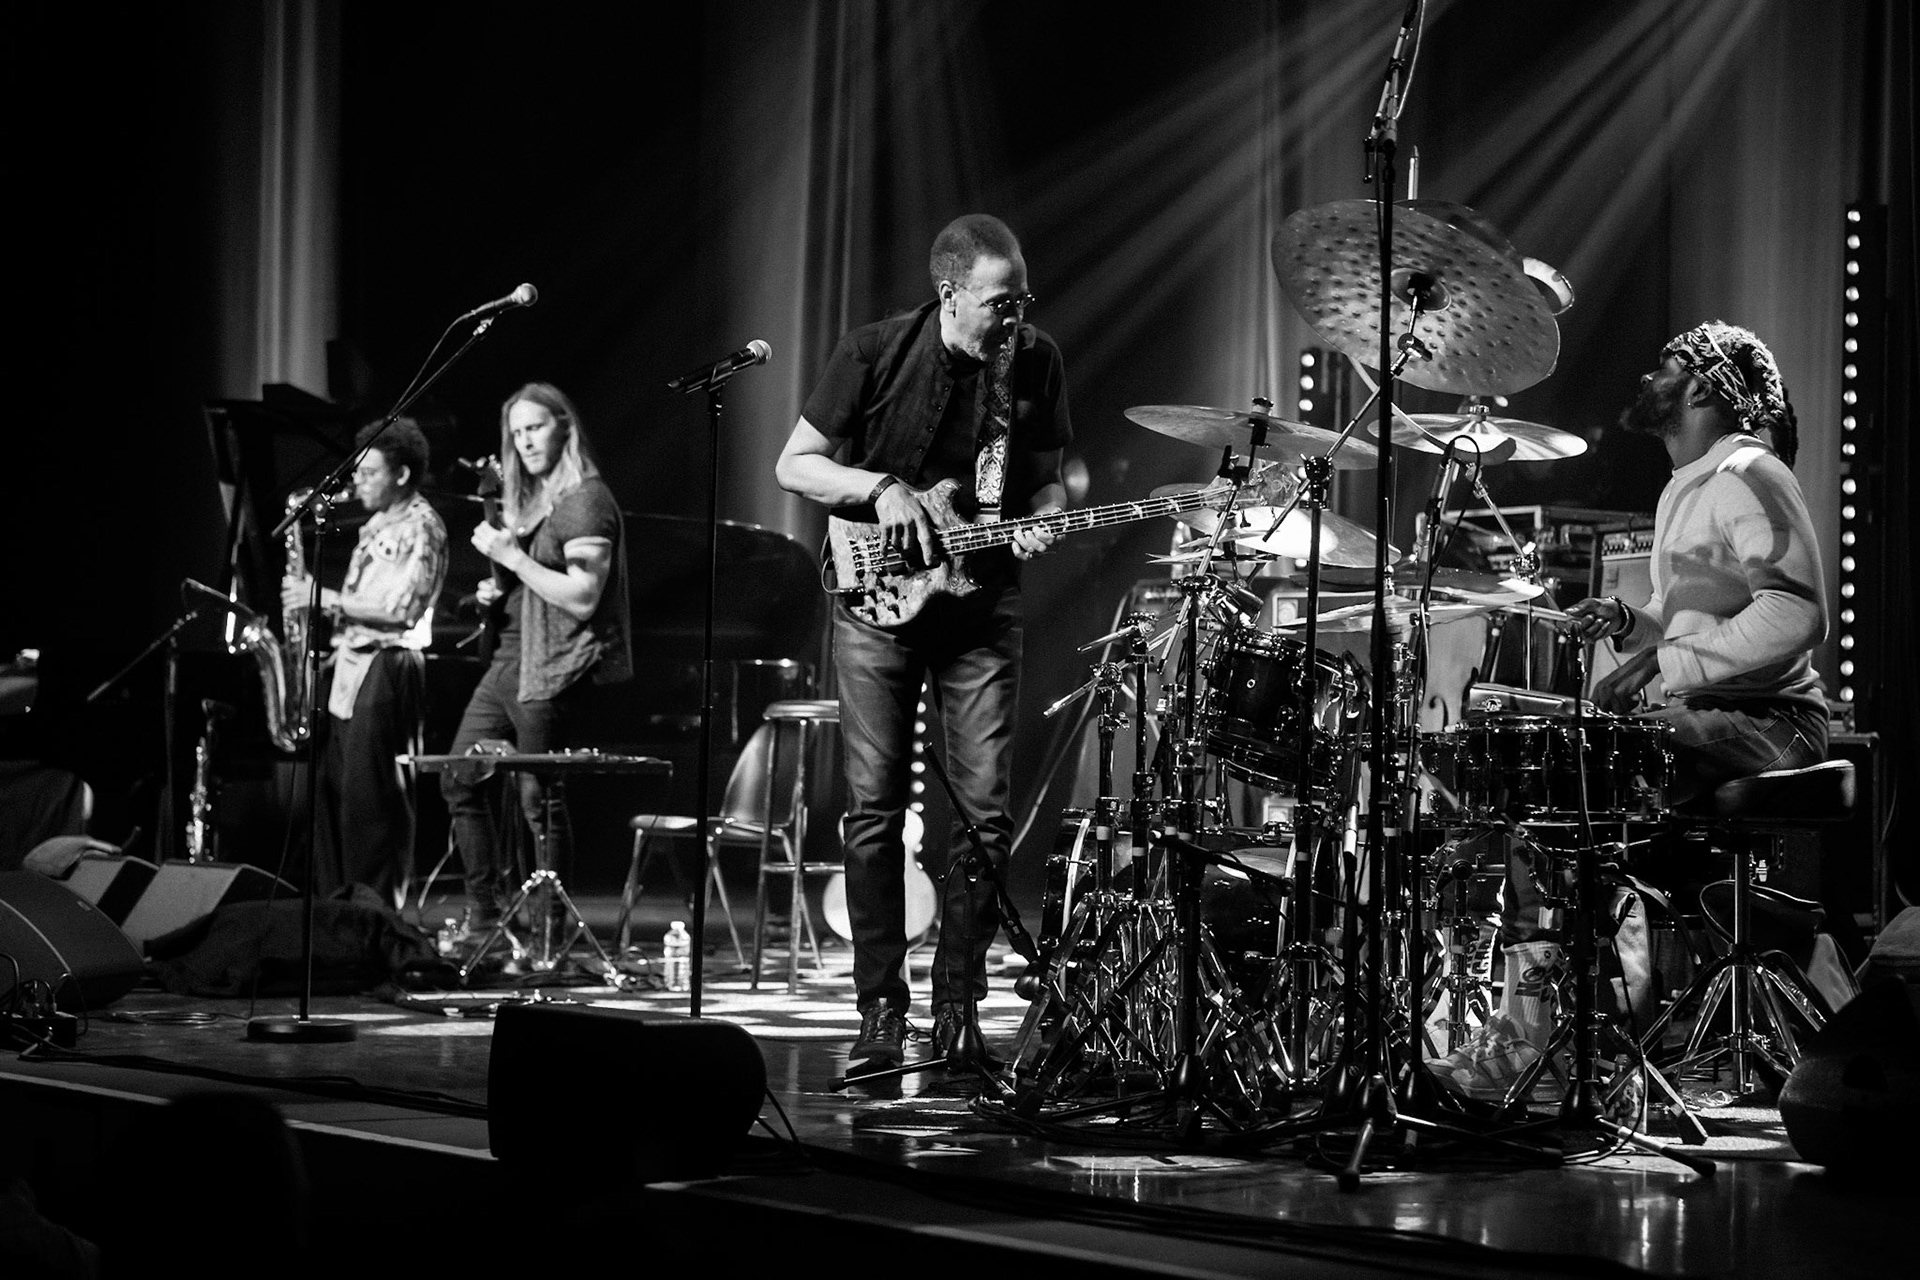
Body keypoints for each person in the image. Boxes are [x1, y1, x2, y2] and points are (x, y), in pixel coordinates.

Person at [1429, 320, 1828, 1099]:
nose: (1652, 377)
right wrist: (1628, 623)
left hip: (1774, 722)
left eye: (1667, 366)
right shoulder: (1689, 483)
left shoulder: (1750, 470)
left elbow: (1795, 613)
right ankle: (1558, 1030)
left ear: (1705, 388)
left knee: (1572, 772)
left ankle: (1544, 1038)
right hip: (1716, 716)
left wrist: (1663, 660)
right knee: (1547, 783)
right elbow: (1698, 617)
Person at [775, 214, 1072, 1073]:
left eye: (1023, 300)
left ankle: (957, 1008)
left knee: (983, 810)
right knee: (872, 809)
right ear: (949, 293)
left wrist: (1043, 522)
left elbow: (1049, 479)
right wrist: (880, 489)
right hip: (874, 602)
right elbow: (796, 464)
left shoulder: (1036, 359)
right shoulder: (872, 350)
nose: (1014, 317)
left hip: (982, 605)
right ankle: (879, 1010)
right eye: (998, 302)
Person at [440, 383, 631, 946]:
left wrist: (513, 558)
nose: (523, 441)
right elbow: (528, 585)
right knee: (459, 775)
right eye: (516, 432)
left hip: (552, 666)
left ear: (564, 426)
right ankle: (485, 918)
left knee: (538, 800)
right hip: (510, 660)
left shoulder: (585, 501)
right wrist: (497, 590)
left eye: (535, 427)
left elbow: (581, 597)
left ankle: (552, 931)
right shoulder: (536, 501)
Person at [282, 417, 447, 902]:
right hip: (352, 667)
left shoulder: (422, 525)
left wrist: (324, 597)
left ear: (400, 475)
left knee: (374, 806)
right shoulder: (376, 524)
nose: (357, 482)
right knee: (339, 801)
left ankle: (373, 918)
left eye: (369, 472)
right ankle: (339, 913)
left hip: (389, 665)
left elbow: (403, 610)